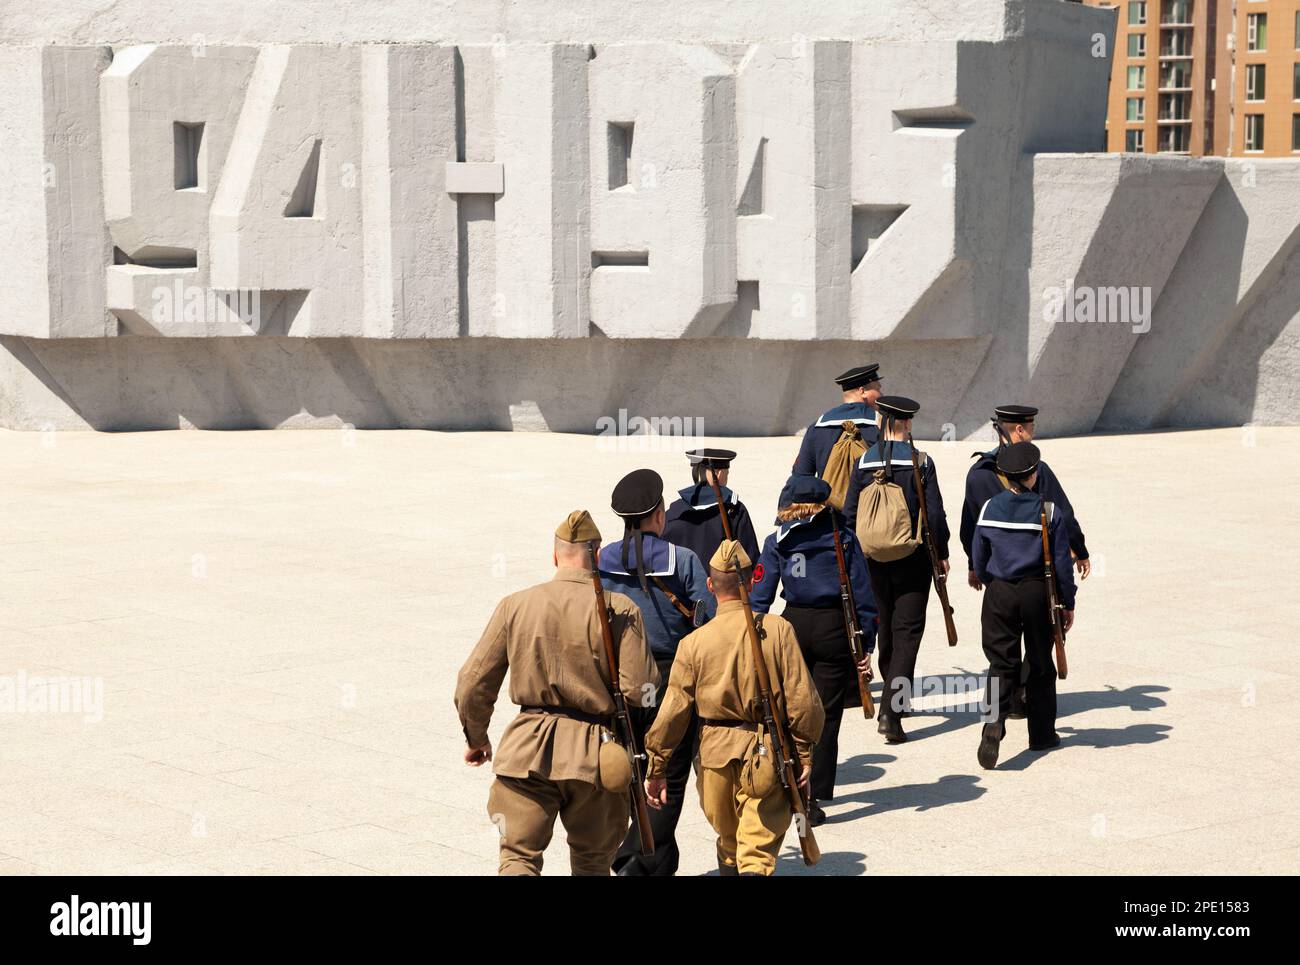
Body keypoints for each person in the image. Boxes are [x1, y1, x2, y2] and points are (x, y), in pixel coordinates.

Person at [454, 510, 658, 875]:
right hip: (596, 753)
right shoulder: (620, 609)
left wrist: (477, 736)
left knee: (518, 858)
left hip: (527, 752)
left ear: (555, 556)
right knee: (593, 862)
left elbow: (472, 680)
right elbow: (640, 688)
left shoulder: (515, 605)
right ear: (596, 556)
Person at [643, 540, 825, 876]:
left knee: (729, 841)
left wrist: (657, 766)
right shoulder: (777, 629)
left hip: (713, 756)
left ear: (710, 585)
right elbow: (803, 700)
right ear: (754, 579)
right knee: (755, 851)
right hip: (764, 754)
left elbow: (672, 712)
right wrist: (803, 752)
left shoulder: (692, 643)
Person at [599, 468, 716, 875]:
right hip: (672, 678)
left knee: (635, 773)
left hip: (621, 679)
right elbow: (709, 619)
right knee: (670, 776)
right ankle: (632, 860)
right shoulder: (681, 560)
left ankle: (655, 861)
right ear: (660, 513)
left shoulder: (603, 560)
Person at [748, 473, 877, 825]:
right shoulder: (842, 538)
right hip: (834, 628)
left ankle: (788, 781)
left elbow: (760, 595)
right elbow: (863, 596)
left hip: (793, 627)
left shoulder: (777, 540)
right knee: (827, 715)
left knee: (790, 708)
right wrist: (866, 642)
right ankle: (814, 795)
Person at [842, 395, 950, 744]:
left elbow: (849, 513)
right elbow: (933, 515)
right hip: (913, 558)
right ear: (908, 423)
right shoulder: (921, 461)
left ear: (882, 422)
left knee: (885, 625)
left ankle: (893, 694)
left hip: (872, 559)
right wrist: (943, 551)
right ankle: (892, 711)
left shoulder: (862, 461)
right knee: (908, 633)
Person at [971, 442, 1076, 769]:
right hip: (1036, 593)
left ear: (1005, 476)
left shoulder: (989, 507)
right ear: (1033, 475)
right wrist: (1067, 602)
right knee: (1041, 661)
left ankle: (993, 721)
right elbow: (1062, 564)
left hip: (999, 591)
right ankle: (1041, 734)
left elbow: (979, 555)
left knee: (999, 662)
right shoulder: (1049, 511)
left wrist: (992, 581)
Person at [960, 404, 1090, 592]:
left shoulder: (977, 473)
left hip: (998, 582)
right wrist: (1081, 550)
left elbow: (969, 527)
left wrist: (974, 565)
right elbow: (1064, 514)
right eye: (1032, 428)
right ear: (1020, 430)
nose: (1033, 433)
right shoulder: (1036, 470)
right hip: (1036, 581)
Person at [663, 448, 760, 568]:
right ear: (719, 474)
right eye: (727, 473)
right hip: (723, 585)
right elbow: (750, 559)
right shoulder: (735, 511)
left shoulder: (674, 513)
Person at [792, 363, 883, 479]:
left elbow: (801, 475)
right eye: (878, 389)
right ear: (862, 391)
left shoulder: (817, 427)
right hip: (869, 497)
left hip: (830, 496)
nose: (881, 394)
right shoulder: (882, 424)